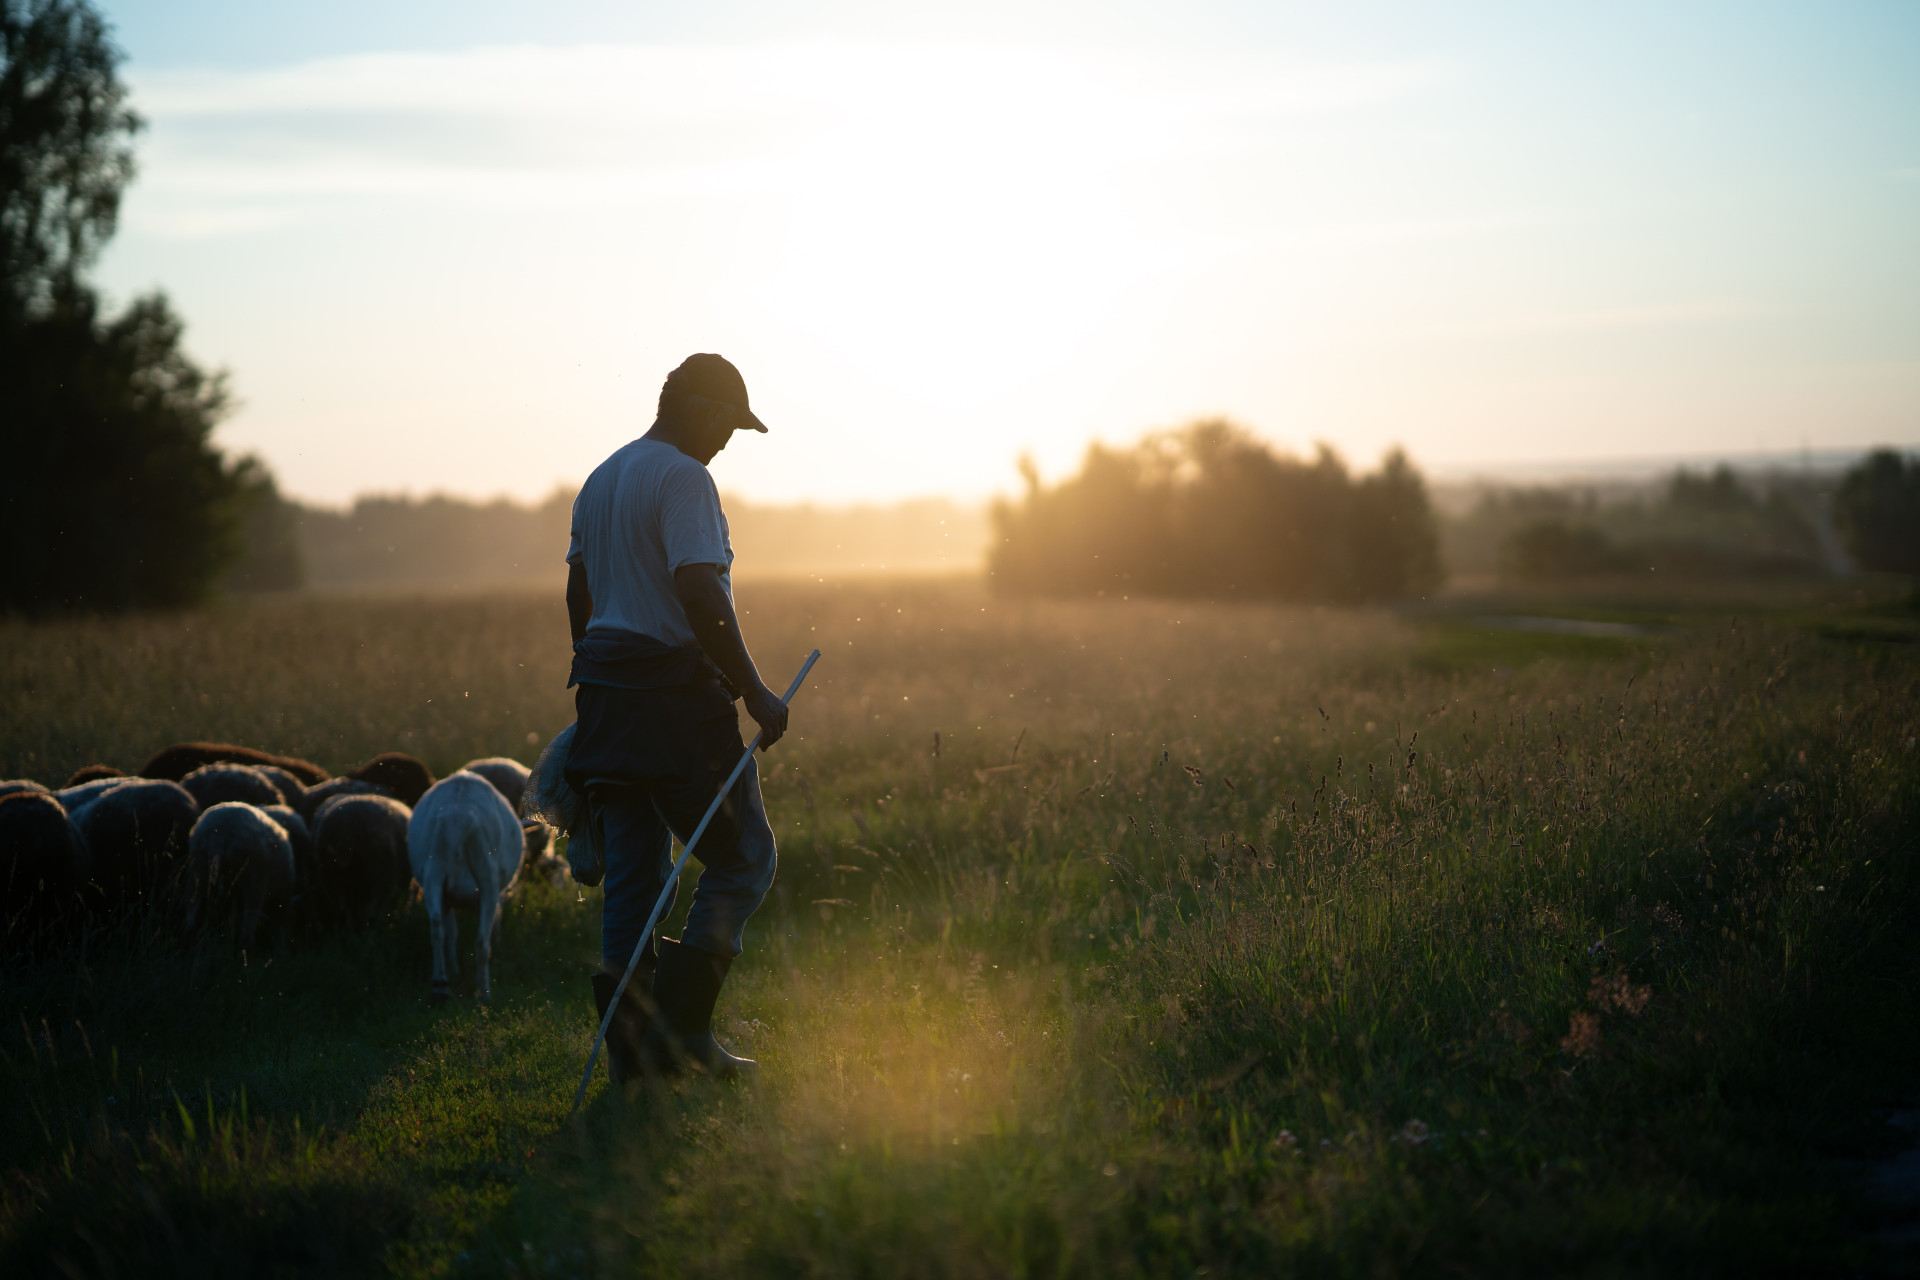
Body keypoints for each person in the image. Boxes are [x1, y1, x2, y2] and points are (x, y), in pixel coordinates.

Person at [562, 352, 789, 1080]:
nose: (728, 439)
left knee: (631, 878)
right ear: (692, 405)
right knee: (744, 857)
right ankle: (683, 1033)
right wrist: (753, 690)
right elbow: (699, 591)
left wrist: (594, 673)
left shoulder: (602, 477)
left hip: (606, 703)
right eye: (726, 420)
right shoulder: (686, 479)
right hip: (675, 707)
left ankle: (633, 1060)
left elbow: (579, 591)